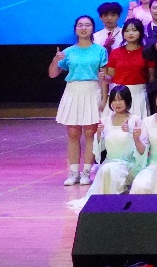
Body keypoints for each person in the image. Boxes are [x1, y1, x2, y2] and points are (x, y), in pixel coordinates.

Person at [50, 15, 108, 186]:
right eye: (80, 25)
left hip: (92, 91)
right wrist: (55, 60)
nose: (84, 28)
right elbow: (53, 74)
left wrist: (104, 98)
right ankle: (74, 172)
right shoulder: (68, 52)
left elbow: (104, 77)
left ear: (92, 28)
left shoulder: (100, 50)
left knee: (90, 133)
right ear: (75, 29)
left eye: (87, 25)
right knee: (73, 134)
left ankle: (86, 172)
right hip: (73, 91)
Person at [79, 85, 145, 200]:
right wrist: (98, 134)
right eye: (114, 100)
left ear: (127, 100)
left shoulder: (135, 120)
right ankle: (106, 202)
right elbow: (98, 149)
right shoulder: (105, 121)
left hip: (128, 164)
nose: (117, 103)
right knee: (106, 169)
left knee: (109, 170)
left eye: (121, 99)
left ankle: (113, 201)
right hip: (109, 163)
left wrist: (131, 132)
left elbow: (141, 149)